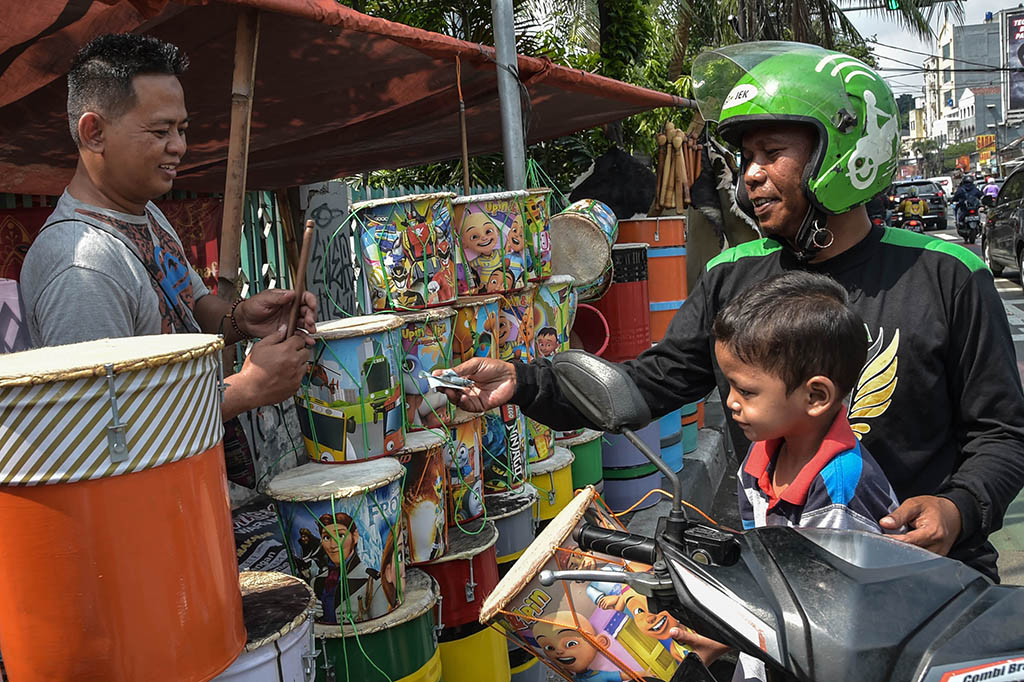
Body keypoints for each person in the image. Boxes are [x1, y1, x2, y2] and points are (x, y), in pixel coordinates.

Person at [439, 41, 1024, 585]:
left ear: (844, 153)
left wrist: (958, 508)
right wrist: (526, 381)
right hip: (791, 590)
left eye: (772, 153)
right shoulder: (732, 275)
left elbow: (1003, 434)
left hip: (933, 581)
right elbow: (649, 384)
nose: (750, 175)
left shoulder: (946, 274)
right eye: (746, 157)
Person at [19, 33, 314, 421]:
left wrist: (241, 319)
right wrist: (246, 389)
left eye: (182, 129)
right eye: (161, 131)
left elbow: (192, 307)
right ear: (94, 133)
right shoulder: (82, 268)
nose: (179, 146)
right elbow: (100, 427)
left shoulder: (146, 213)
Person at [672, 270, 903, 681]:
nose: (731, 402)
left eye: (747, 391)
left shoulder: (838, 488)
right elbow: (764, 568)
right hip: (771, 649)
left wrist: (734, 629)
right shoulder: (761, 454)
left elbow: (827, 614)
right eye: (729, 386)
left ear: (815, 396)